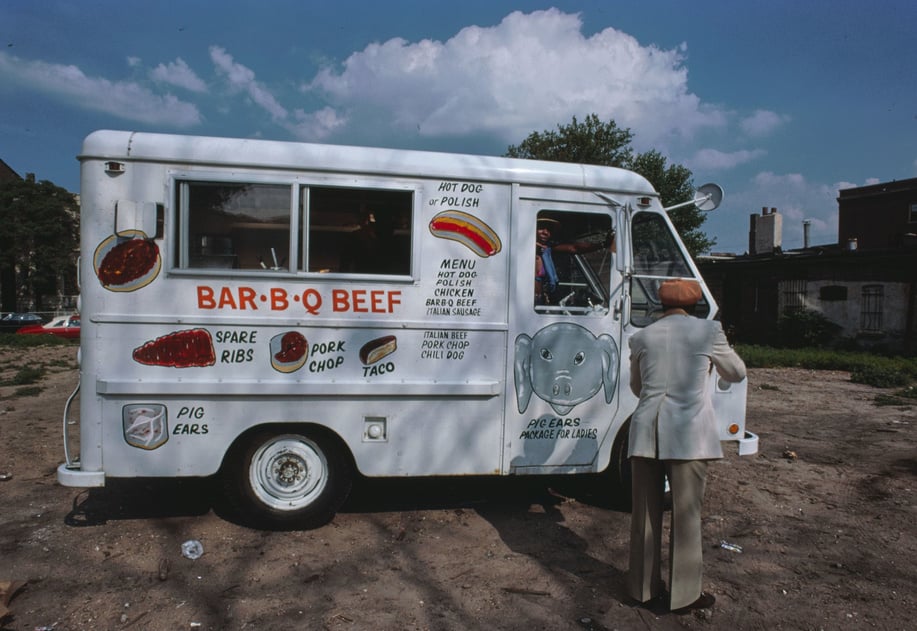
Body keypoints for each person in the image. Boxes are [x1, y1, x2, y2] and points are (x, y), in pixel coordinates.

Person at [626, 278, 746, 614]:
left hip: (645, 432)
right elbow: (736, 372)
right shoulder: (708, 332)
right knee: (686, 516)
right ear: (695, 306)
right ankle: (683, 596)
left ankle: (642, 591)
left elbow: (637, 388)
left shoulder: (642, 336)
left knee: (644, 516)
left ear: (660, 305)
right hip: (689, 436)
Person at [535, 217, 612, 306]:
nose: (545, 232)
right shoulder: (524, 251)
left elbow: (574, 248)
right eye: (541, 228)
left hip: (542, 301)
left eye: (549, 230)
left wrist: (603, 244)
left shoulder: (548, 249)